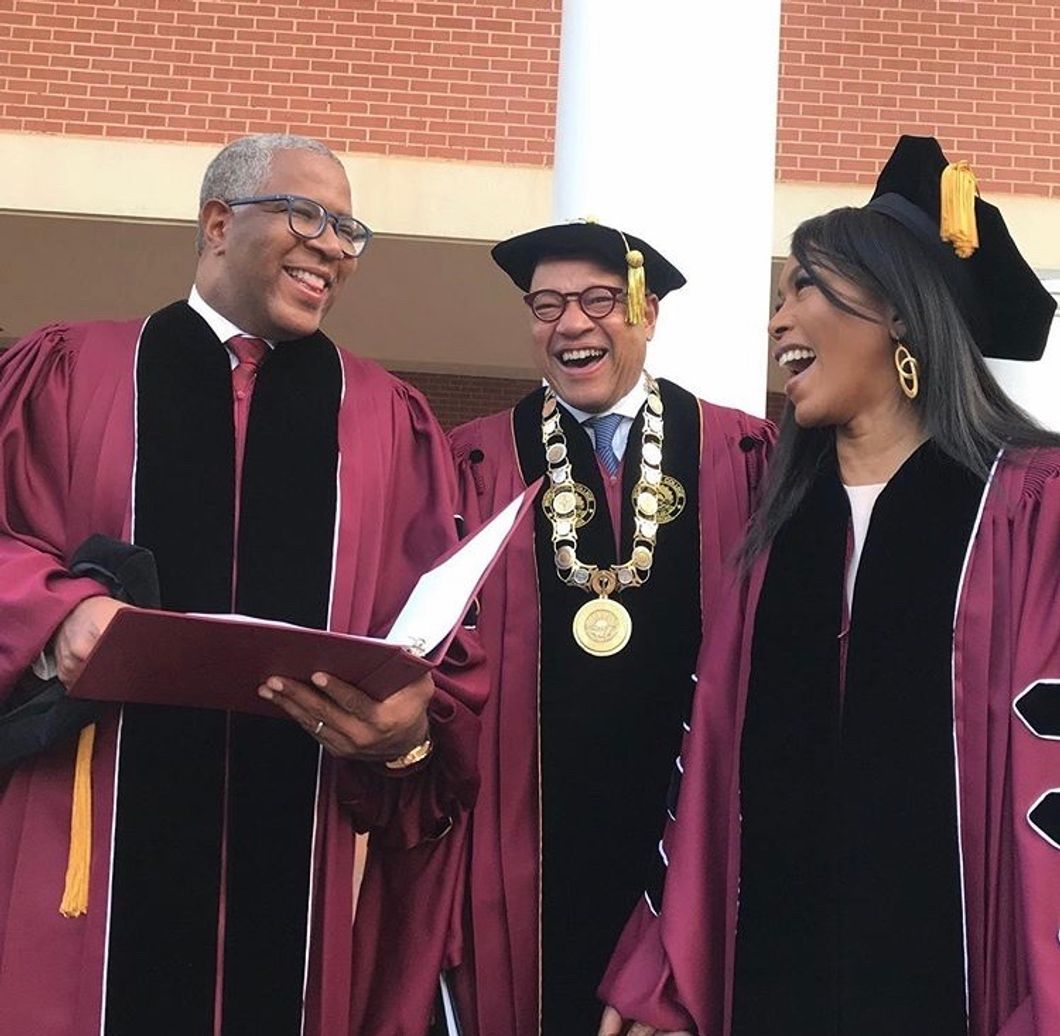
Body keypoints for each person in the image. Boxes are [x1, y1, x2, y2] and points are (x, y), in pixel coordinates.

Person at [0, 133, 486, 1036]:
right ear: (219, 223)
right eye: (307, 215)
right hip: (93, 831)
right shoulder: (71, 371)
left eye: (348, 230)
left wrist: (410, 722)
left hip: (292, 844)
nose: (333, 247)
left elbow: (439, 627)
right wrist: (57, 613)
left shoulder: (385, 418)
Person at [599, 135, 1060, 1036]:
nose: (778, 322)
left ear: (897, 311)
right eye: (778, 299)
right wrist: (666, 973)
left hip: (968, 986)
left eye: (803, 287)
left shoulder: (1028, 513)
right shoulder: (777, 542)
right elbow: (710, 767)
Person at [446, 220, 774, 1036]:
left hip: (691, 823)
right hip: (523, 836)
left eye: (599, 300)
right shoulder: (472, 462)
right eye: (546, 304)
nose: (571, 323)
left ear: (647, 312)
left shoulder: (743, 453)